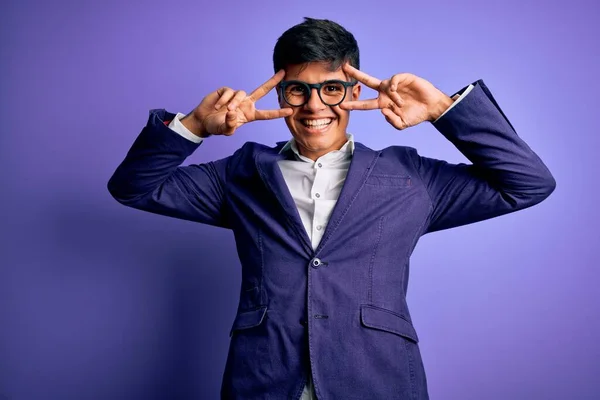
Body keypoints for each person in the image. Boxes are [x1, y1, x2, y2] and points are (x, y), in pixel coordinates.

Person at [107, 17, 555, 400]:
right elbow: (134, 188)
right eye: (298, 90)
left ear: (351, 88)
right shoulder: (241, 174)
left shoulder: (410, 177)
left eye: (331, 89)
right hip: (264, 381)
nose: (314, 106)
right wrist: (193, 126)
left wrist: (442, 109)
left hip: (377, 380)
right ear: (280, 94)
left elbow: (527, 183)